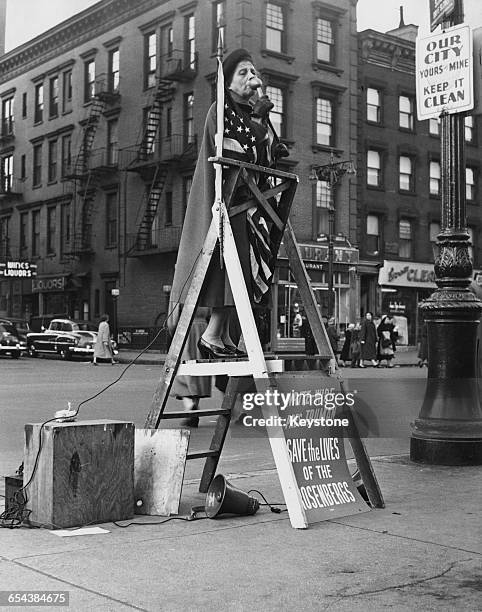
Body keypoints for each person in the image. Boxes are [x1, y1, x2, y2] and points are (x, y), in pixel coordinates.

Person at [169, 48, 285, 359]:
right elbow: (237, 153)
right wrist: (259, 122)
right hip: (229, 203)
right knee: (232, 270)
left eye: (254, 72)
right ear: (229, 82)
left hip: (251, 206)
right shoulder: (220, 112)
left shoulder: (251, 114)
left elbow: (272, 156)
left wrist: (263, 122)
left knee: (246, 273)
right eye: (244, 73)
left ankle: (219, 336)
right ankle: (212, 334)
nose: (252, 78)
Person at [170, 307, 212, 427]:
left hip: (186, 330)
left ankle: (189, 407)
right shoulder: (206, 292)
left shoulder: (180, 289)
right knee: (199, 370)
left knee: (183, 370)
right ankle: (194, 409)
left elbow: (172, 321)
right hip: (205, 330)